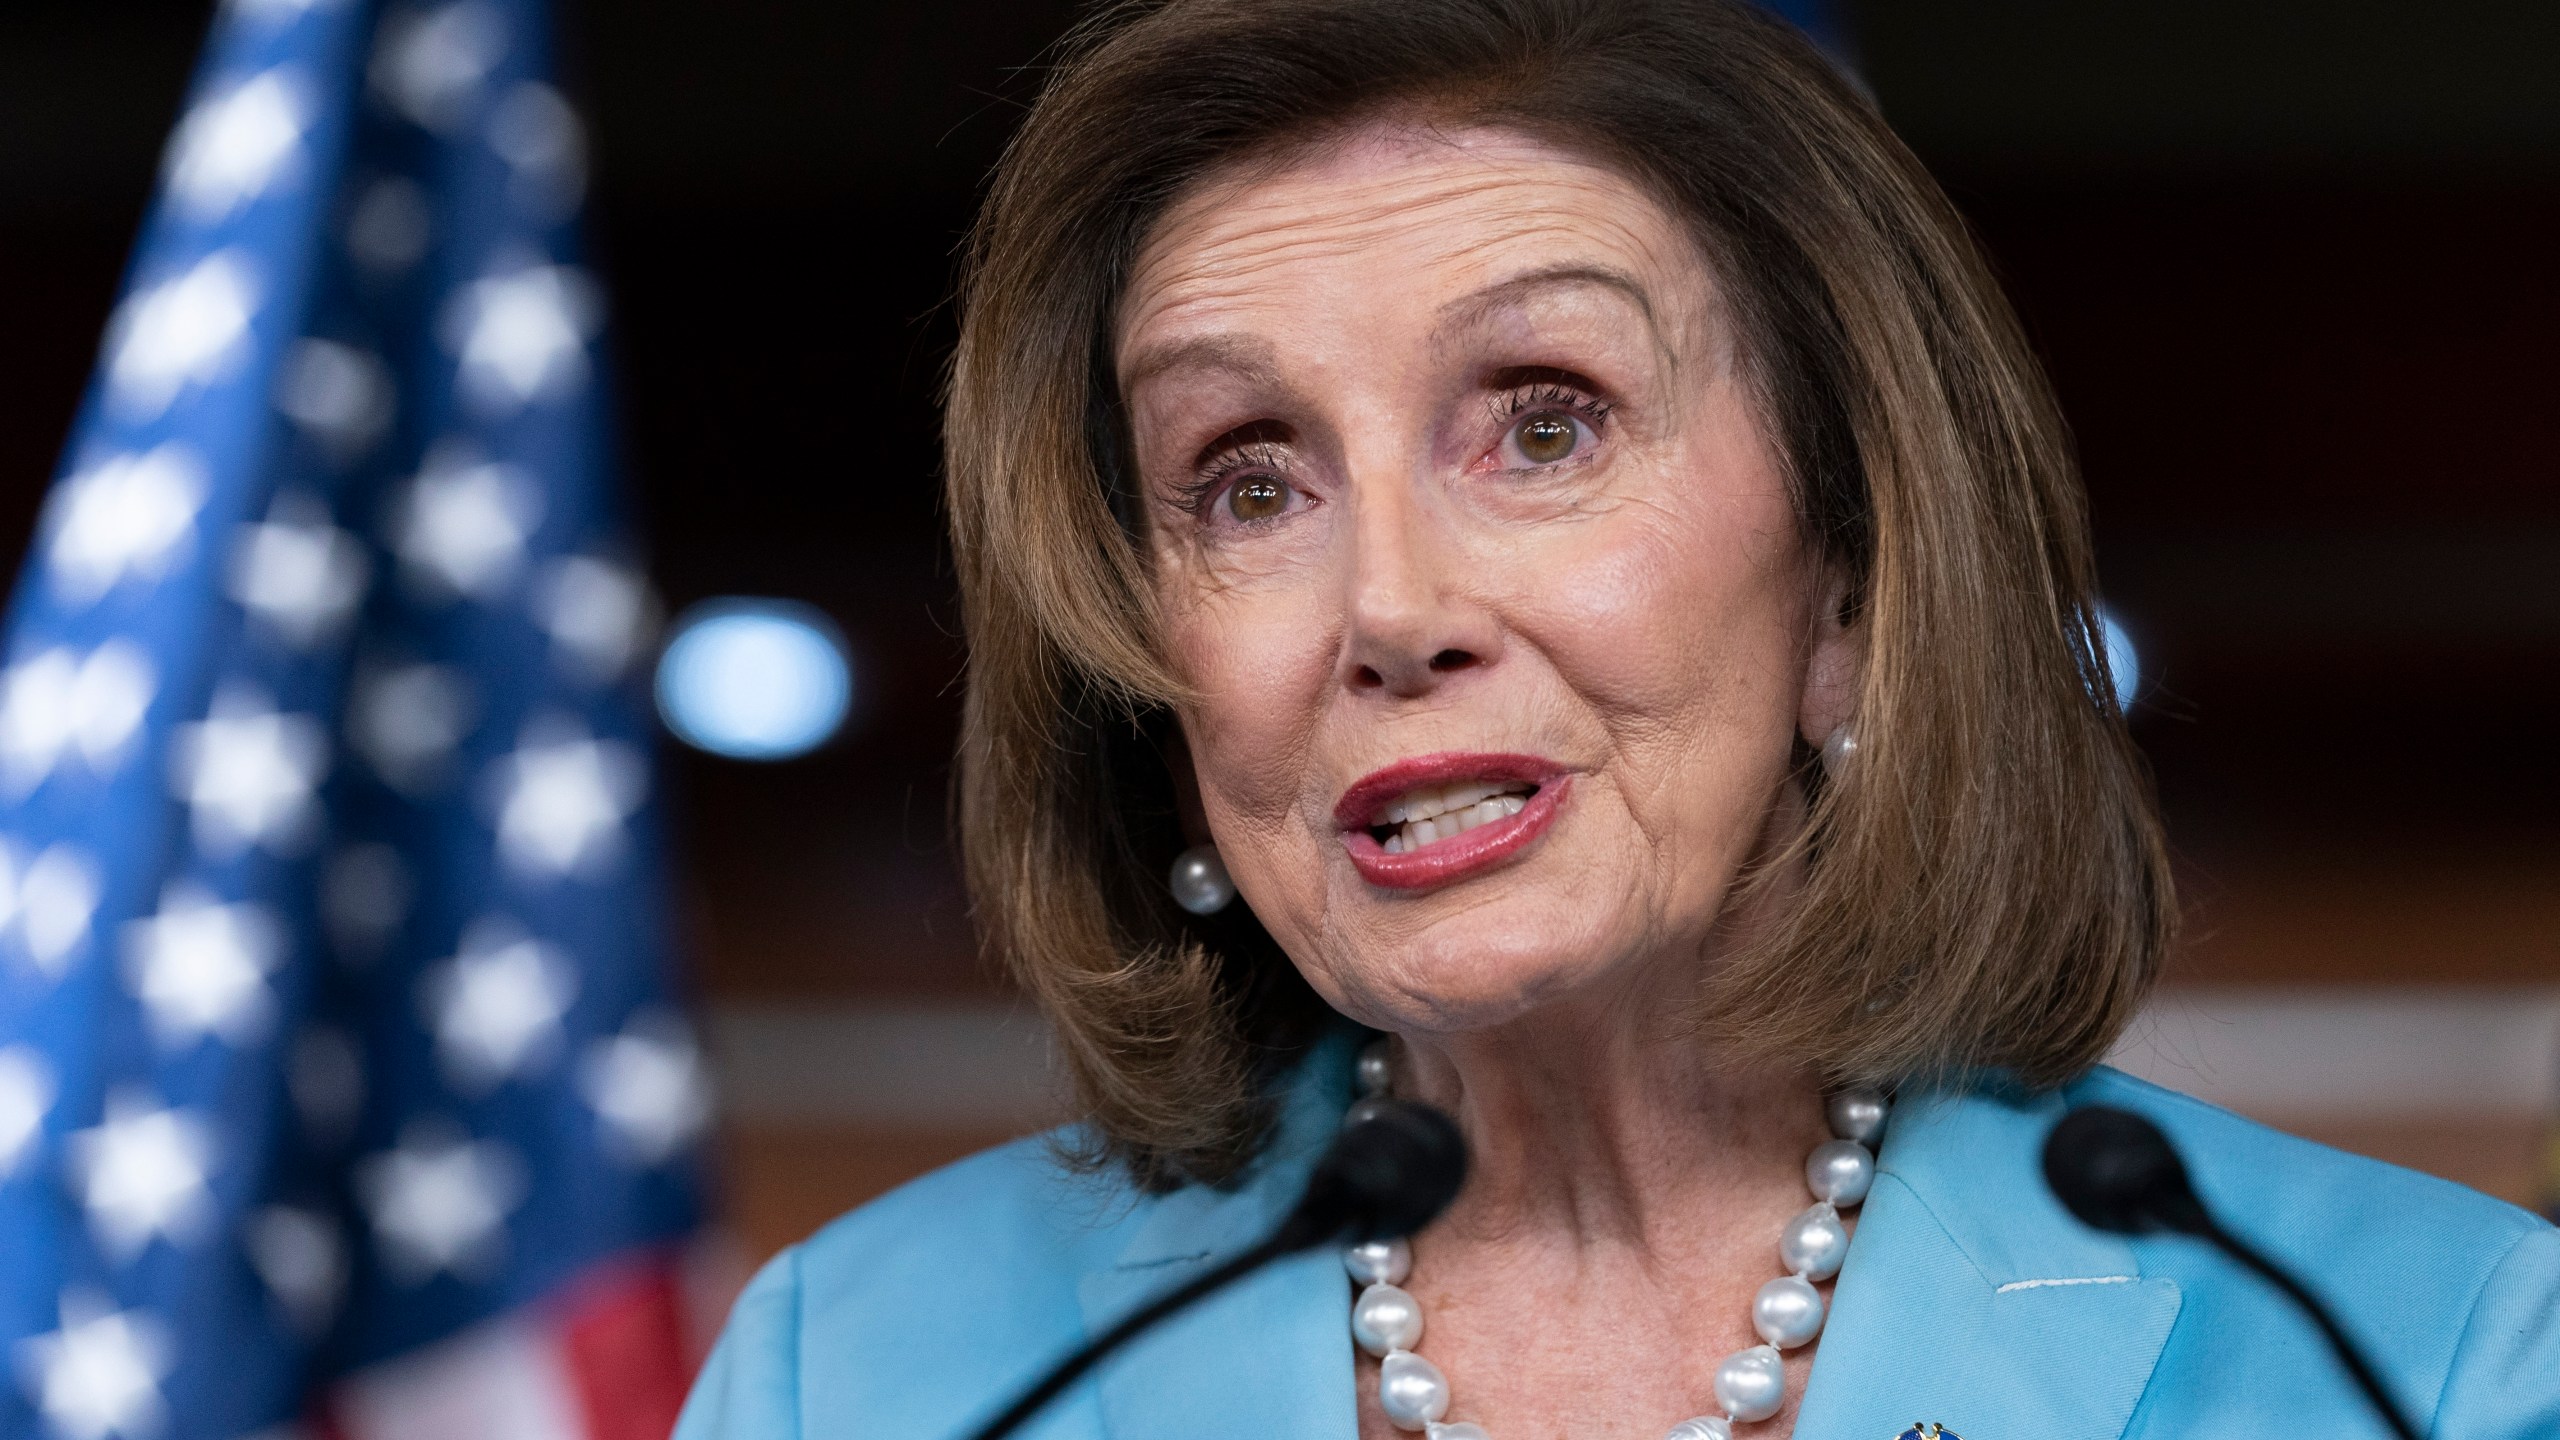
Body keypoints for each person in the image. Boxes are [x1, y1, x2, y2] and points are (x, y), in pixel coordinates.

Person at [675, 2, 2560, 1436]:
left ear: (1848, 586)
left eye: (1547, 422)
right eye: (1247, 484)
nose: (1394, 609)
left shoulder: (2431, 1352)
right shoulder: (860, 1372)